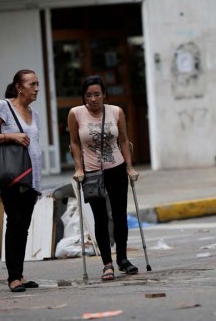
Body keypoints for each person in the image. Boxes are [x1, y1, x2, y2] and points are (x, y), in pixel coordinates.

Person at [67, 75, 140, 281]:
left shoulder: (116, 112)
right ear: (83, 97)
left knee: (119, 216)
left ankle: (123, 259)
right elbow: (74, 143)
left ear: (104, 94)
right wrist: (79, 168)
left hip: (116, 168)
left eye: (97, 94)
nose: (93, 99)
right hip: (91, 172)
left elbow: (124, 139)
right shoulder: (75, 114)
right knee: (100, 218)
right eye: (88, 95)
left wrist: (129, 167)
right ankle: (107, 263)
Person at [0, 69, 42, 293]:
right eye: (32, 84)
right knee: (14, 222)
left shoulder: (35, 115)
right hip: (12, 176)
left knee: (23, 227)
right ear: (19, 87)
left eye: (37, 84)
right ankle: (13, 277)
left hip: (31, 177)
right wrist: (10, 136)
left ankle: (20, 274)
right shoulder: (3, 107)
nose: (36, 88)